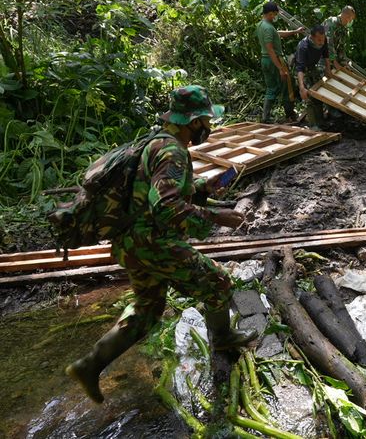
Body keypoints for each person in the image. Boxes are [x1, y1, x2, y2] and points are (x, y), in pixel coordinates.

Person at [66, 85, 256, 404]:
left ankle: (88, 366)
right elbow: (166, 207)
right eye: (206, 121)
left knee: (147, 310)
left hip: (130, 243)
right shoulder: (173, 151)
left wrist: (199, 187)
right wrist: (217, 217)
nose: (209, 128)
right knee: (218, 283)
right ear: (193, 122)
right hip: (153, 241)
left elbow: (151, 189)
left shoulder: (154, 142)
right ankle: (222, 339)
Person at [257, 2, 305, 123]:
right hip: (275, 60)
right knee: (287, 88)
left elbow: (277, 34)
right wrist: (280, 68)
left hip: (265, 60)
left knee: (271, 88)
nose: (275, 16)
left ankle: (265, 117)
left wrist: (295, 32)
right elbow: (270, 48)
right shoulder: (268, 27)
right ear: (270, 13)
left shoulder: (262, 25)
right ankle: (290, 115)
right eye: (274, 14)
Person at [294, 24, 332, 129]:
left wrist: (328, 69)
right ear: (312, 37)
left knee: (318, 92)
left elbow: (326, 55)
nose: (321, 42)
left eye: (323, 39)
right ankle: (313, 125)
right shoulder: (303, 46)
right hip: (301, 70)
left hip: (312, 67)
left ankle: (320, 121)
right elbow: (300, 68)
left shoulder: (323, 41)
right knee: (309, 96)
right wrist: (302, 87)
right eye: (319, 40)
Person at [323, 6, 356, 71]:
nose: (351, 21)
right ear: (346, 16)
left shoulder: (343, 29)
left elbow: (341, 47)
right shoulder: (332, 22)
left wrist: (344, 62)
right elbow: (327, 43)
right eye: (351, 18)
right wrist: (335, 62)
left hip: (329, 58)